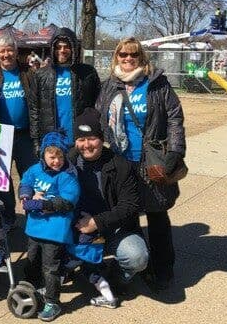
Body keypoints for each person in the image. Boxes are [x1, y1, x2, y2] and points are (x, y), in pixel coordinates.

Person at [96, 37, 184, 291]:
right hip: (122, 162)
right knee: (129, 216)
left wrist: (175, 152)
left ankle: (163, 270)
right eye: (123, 54)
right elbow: (100, 117)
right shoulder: (109, 85)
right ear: (116, 56)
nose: (127, 59)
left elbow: (174, 117)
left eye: (133, 55)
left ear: (141, 57)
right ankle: (136, 265)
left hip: (151, 161)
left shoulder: (156, 83)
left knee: (157, 216)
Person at [68, 108, 148, 305]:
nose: (86, 145)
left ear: (101, 139)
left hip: (114, 228)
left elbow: (130, 206)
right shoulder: (67, 161)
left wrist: (96, 222)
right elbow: (42, 179)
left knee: (137, 257)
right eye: (81, 139)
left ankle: (115, 278)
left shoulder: (120, 165)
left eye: (92, 138)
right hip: (76, 227)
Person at [18, 132, 80, 322]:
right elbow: (25, 182)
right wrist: (26, 196)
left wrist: (46, 205)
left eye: (60, 156)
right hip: (35, 227)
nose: (56, 161)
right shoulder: (35, 170)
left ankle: (52, 301)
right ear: (43, 155)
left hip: (55, 230)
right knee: (32, 258)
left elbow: (70, 199)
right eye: (52, 157)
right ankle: (31, 287)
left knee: (50, 268)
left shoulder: (67, 176)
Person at [28, 27, 100, 155]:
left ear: (73, 48)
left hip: (81, 140)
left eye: (66, 46)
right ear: (52, 49)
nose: (62, 50)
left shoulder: (87, 73)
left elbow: (97, 104)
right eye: (58, 47)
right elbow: (34, 110)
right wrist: (35, 141)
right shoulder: (41, 75)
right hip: (52, 141)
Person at [0, 33, 35, 226]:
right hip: (1, 135)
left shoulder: (28, 73)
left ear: (16, 52)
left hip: (25, 134)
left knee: (31, 175)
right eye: (2, 51)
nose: (6, 54)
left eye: (10, 50)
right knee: (2, 180)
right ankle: (8, 217)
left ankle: (34, 214)